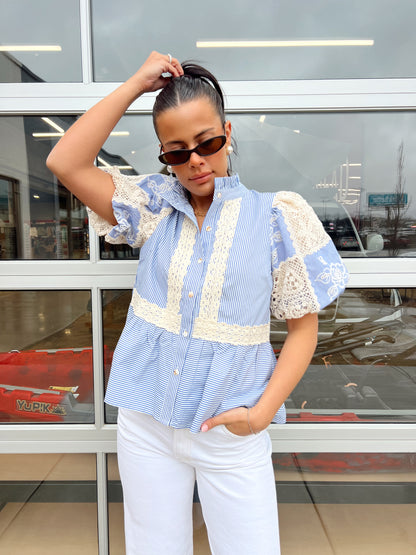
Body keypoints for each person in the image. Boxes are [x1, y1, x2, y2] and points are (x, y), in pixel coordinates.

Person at [47, 51, 348, 554]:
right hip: (147, 423)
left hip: (231, 427)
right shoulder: (152, 206)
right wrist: (136, 85)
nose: (195, 160)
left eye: (207, 142)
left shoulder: (276, 217)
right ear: (163, 155)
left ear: (227, 132)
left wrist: (260, 416)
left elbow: (303, 330)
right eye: (176, 151)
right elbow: (64, 161)